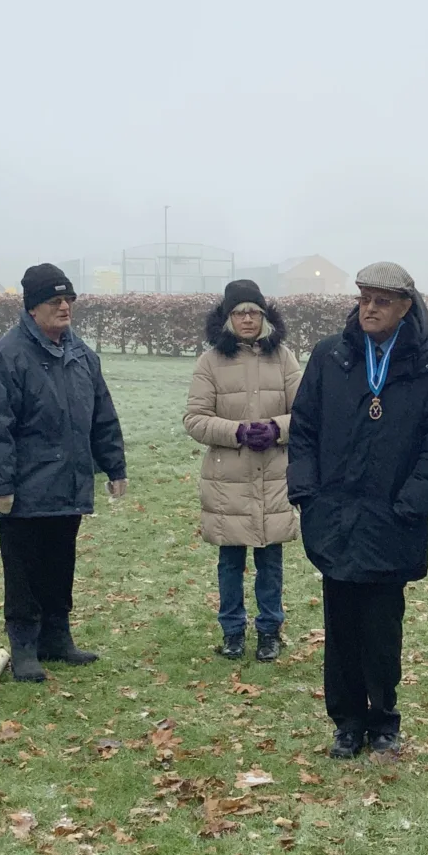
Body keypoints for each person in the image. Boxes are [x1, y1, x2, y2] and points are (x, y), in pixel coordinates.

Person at [288, 262, 428, 759]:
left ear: (407, 306)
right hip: (335, 518)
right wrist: (308, 494)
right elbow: (303, 429)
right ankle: (346, 722)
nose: (369, 308)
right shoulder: (331, 357)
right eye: (364, 298)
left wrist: (409, 506)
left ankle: (384, 720)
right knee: (340, 626)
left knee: (382, 628)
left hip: (393, 520)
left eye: (382, 301)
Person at [0, 263, 127, 683]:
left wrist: (114, 465)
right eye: (55, 301)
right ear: (32, 308)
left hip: (70, 484)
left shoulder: (82, 355)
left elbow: (103, 416)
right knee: (23, 569)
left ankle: (57, 639)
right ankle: (24, 646)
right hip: (24, 490)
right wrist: (1, 486)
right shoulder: (6, 357)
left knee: (61, 564)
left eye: (69, 300)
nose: (65, 307)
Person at [184, 280, 301, 662]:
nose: (247, 318)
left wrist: (275, 429)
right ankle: (232, 631)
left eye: (253, 311)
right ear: (227, 317)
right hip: (227, 481)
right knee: (230, 562)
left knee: (270, 561)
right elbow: (195, 419)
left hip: (273, 477)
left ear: (264, 316)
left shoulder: (283, 357)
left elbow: (307, 414)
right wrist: (235, 432)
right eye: (239, 312)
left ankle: (270, 630)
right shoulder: (210, 362)